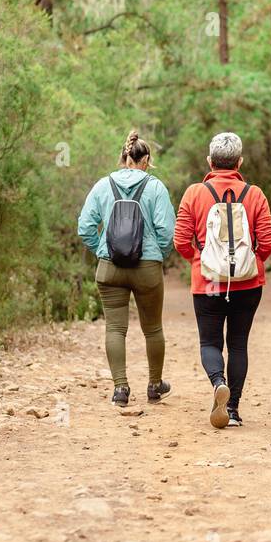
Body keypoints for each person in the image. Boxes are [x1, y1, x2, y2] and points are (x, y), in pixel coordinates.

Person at [173, 132, 271, 429]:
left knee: (210, 341)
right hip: (248, 283)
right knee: (239, 344)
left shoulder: (194, 193)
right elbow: (268, 241)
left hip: (207, 281)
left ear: (210, 161)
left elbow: (181, 240)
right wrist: (252, 263)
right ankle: (232, 409)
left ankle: (218, 382)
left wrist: (199, 260)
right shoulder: (254, 194)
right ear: (240, 162)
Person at [78, 129, 176, 407]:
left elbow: (84, 227)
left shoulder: (102, 185)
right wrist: (157, 255)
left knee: (115, 329)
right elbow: (167, 231)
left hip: (110, 267)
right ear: (145, 160)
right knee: (153, 329)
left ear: (124, 158)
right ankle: (155, 386)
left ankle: (120, 389)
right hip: (147, 267)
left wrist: (102, 249)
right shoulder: (155, 187)